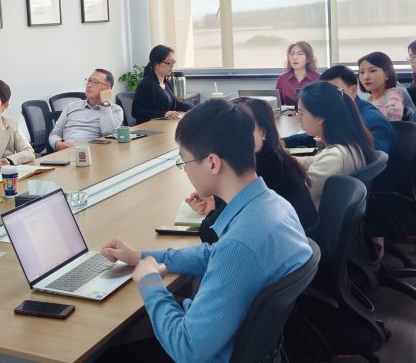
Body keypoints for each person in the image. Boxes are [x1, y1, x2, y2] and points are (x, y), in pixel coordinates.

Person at [100, 100, 312, 363]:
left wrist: (150, 282)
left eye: (185, 161)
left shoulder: (240, 246)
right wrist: (140, 256)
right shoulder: (274, 205)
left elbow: (187, 348)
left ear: (213, 163)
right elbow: (214, 254)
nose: (185, 169)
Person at [187, 96, 318, 235]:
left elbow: (211, 233)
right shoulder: (276, 159)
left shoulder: (258, 172)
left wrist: (214, 211)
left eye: (242, 128)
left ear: (263, 132)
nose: (231, 137)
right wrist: (217, 202)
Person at [293, 81, 378, 206]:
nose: (298, 118)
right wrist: (284, 159)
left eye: (301, 113)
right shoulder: (351, 144)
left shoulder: (335, 157)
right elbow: (314, 160)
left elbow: (298, 194)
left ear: (321, 117)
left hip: (312, 215)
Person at [284, 65, 395, 155]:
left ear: (353, 91)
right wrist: (282, 142)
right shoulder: (336, 113)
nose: (329, 98)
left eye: (335, 92)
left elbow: (374, 160)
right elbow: (312, 136)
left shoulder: (373, 120)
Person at [49, 69, 124, 150]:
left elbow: (108, 132)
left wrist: (105, 105)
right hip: (67, 152)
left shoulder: (115, 110)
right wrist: (57, 144)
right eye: (89, 81)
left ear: (107, 89)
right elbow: (54, 133)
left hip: (96, 153)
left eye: (95, 82)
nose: (89, 85)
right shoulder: (71, 106)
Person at [132, 45, 193, 124]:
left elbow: (176, 104)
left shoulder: (166, 82)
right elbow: (136, 111)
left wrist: (194, 108)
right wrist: (163, 114)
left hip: (165, 124)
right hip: (149, 126)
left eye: (173, 62)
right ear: (155, 64)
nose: (172, 66)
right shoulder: (146, 84)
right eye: (168, 63)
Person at [358, 51, 414, 122]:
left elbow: (390, 123)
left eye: (372, 71)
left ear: (387, 73)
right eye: (362, 72)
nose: (366, 77)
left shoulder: (394, 98)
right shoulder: (370, 99)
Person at [275, 41, 320, 105]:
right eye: (292, 54)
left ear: (308, 58)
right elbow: (277, 105)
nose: (295, 58)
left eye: (300, 54)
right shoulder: (282, 79)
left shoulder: (318, 79)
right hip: (288, 111)